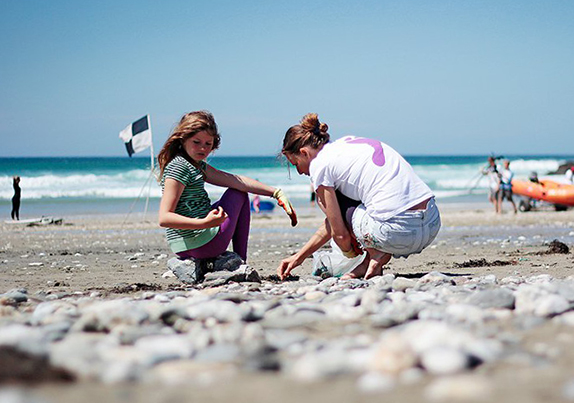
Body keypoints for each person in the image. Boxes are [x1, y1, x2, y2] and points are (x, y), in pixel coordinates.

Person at [277, 113, 441, 280]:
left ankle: (375, 253)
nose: (299, 171)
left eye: (295, 164)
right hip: (432, 223)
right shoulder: (347, 145)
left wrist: (348, 250)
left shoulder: (320, 165)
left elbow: (340, 234)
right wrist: (299, 257)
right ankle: (371, 259)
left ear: (304, 152)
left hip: (396, 232)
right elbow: (334, 221)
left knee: (328, 201)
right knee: (361, 201)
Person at [158, 111, 297, 262]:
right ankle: (241, 260)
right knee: (239, 194)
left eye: (208, 144)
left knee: (236, 191)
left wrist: (276, 193)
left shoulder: (195, 165)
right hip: (202, 244)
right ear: (183, 139)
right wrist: (204, 223)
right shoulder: (179, 167)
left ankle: (237, 261)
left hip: (186, 246)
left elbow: (235, 180)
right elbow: (164, 217)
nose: (203, 149)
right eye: (196, 142)